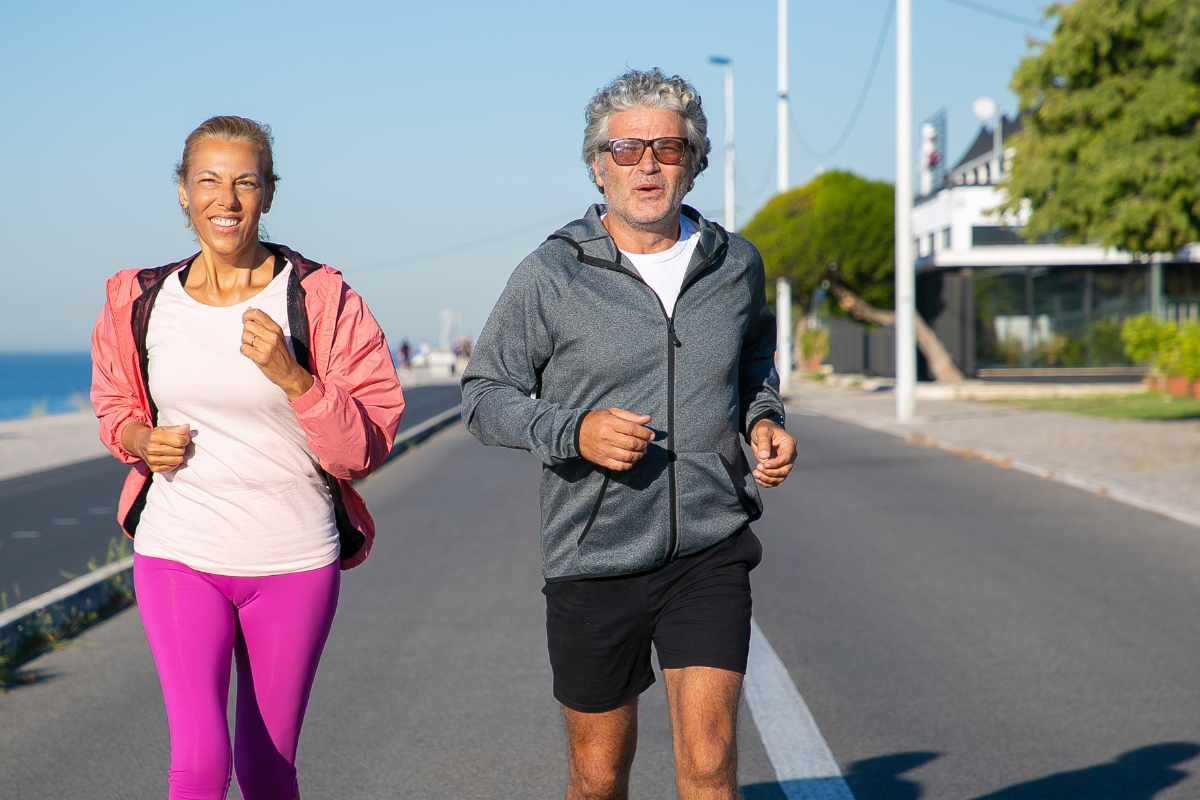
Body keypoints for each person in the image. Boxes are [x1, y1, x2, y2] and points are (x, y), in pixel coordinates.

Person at [461, 69, 797, 799]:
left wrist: (763, 417)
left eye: (668, 148)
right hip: (593, 555)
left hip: (708, 548)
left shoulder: (735, 264)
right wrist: (572, 431)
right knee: (597, 775)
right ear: (596, 163)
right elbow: (484, 395)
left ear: (696, 160)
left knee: (708, 761)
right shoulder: (551, 274)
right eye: (625, 148)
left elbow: (751, 362)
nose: (647, 164)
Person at [90, 115, 403, 800]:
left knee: (265, 772)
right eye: (208, 181)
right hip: (179, 551)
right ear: (181, 192)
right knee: (200, 766)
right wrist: (142, 442)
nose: (225, 200)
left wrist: (296, 379)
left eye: (244, 183)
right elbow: (115, 405)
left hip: (293, 559)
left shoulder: (321, 301)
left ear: (268, 194)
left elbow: (367, 445)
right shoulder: (138, 300)